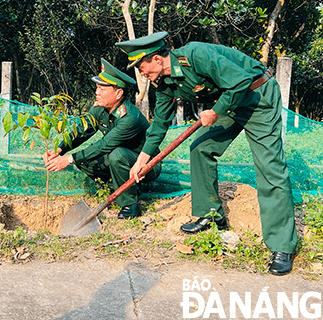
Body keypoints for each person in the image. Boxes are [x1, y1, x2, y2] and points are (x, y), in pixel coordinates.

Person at [116, 31, 298, 275]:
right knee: (200, 148)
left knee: (269, 167)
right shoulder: (165, 84)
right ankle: (211, 215)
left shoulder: (196, 55)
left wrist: (216, 111)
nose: (141, 72)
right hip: (229, 103)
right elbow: (159, 123)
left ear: (157, 59)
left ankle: (282, 245)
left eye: (141, 65)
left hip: (257, 97)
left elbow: (240, 80)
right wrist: (141, 160)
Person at [42, 59, 161, 219]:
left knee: (116, 154)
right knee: (85, 159)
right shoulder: (100, 109)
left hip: (147, 163)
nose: (97, 93)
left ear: (118, 93)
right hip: (121, 159)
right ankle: (123, 189)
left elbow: (104, 145)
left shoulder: (129, 117)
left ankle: (130, 204)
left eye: (102, 89)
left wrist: (68, 160)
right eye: (97, 88)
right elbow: (82, 131)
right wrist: (60, 149)